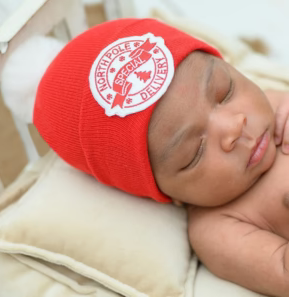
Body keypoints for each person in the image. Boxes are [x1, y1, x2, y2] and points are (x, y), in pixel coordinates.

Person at [33, 18, 289, 297]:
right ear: (168, 193)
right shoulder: (217, 228)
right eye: (195, 153)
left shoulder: (272, 105)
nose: (234, 127)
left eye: (224, 91)